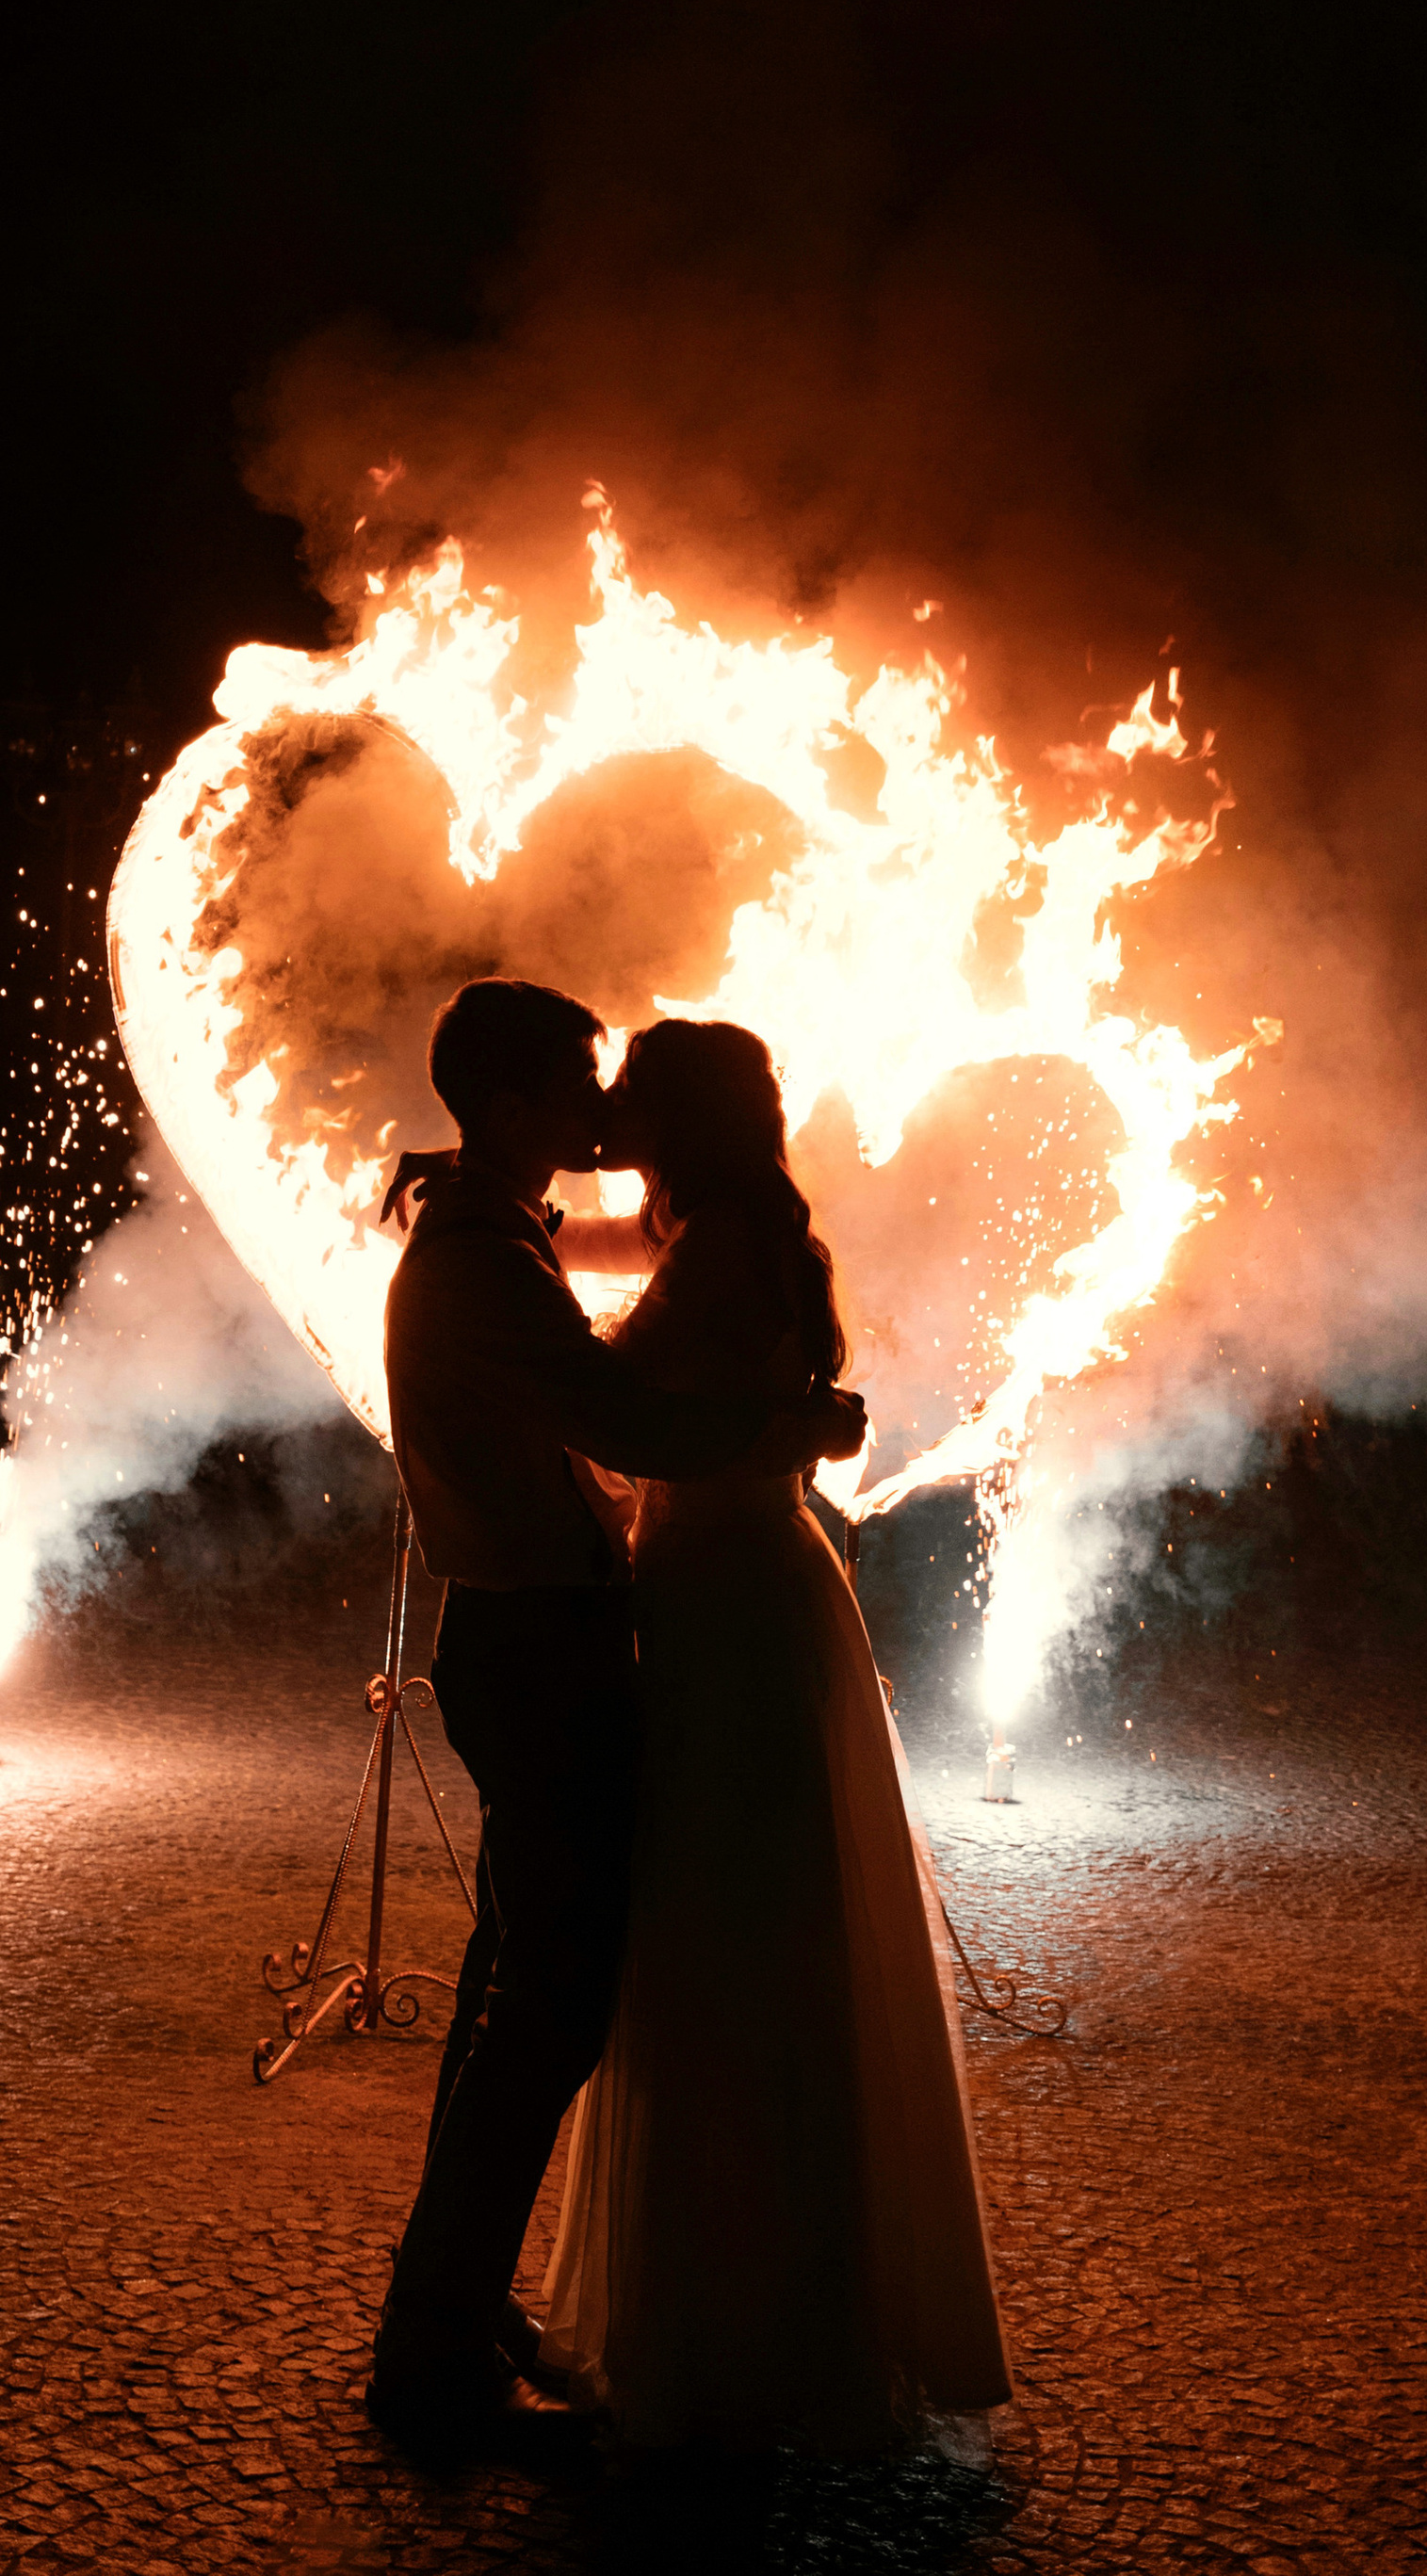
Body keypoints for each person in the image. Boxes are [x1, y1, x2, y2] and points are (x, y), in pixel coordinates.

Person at [365, 979, 867, 2456]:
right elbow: (627, 1422)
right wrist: (787, 1430)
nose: (602, 1112)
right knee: (548, 2013)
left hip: (543, 1636)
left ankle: (444, 2307)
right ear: (516, 1106)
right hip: (537, 1646)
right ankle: (434, 2339)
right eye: (582, 1083)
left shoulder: (493, 1236)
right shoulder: (482, 1258)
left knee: (516, 1995)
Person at [540, 1017, 1013, 2452]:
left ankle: (740, 2331)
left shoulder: (722, 1247)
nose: (606, 1118)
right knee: (752, 1932)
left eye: (628, 1104)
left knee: (728, 1942)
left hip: (728, 1598)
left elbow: (617, 1409)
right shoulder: (735, 1228)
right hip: (748, 1575)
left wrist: (512, 1278)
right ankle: (781, 2308)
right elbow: (624, 1285)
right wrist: (518, 1218)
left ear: (675, 1126)